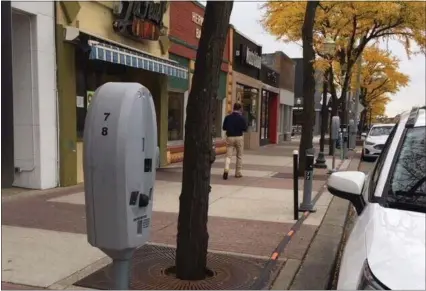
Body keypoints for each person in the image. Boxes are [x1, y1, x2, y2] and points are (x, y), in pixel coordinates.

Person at [222, 103, 248, 180]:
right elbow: (245, 129)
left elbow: (224, 128)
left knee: (228, 155)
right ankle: (238, 173)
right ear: (240, 109)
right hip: (239, 137)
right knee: (239, 156)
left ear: (233, 108)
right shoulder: (242, 118)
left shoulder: (228, 117)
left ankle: (226, 169)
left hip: (230, 137)